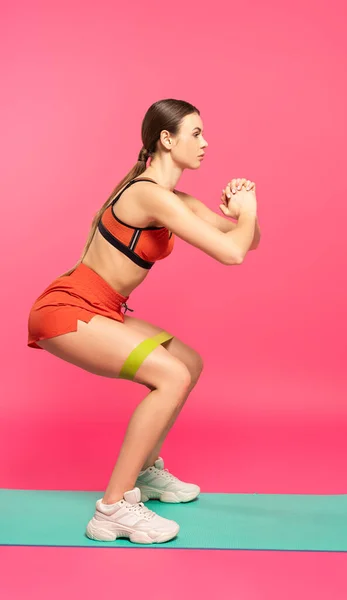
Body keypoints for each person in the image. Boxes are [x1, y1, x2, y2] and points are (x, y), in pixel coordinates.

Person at [27, 98, 259, 545]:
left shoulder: (173, 199)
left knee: (188, 363)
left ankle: (146, 475)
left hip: (103, 308)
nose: (206, 143)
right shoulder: (147, 194)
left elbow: (247, 243)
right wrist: (245, 215)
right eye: (196, 133)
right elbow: (232, 253)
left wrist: (240, 212)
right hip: (68, 309)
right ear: (167, 139)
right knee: (170, 377)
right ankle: (113, 508)